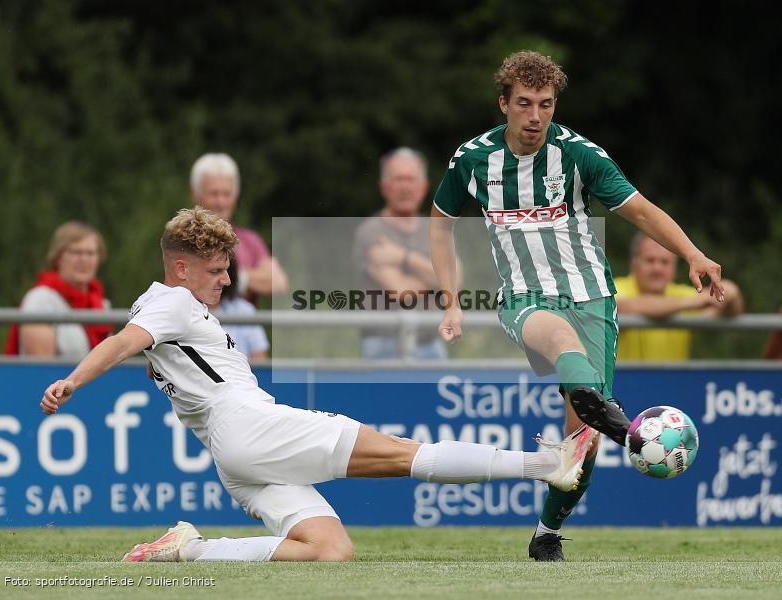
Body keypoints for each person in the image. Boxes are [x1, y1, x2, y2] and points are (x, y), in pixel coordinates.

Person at [40, 207, 598, 563]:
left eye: (227, 268)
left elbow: (144, 347)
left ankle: (190, 549)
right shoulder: (172, 302)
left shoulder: (161, 304)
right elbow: (123, 343)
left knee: (330, 550)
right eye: (215, 270)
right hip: (248, 426)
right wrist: (73, 380)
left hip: (232, 455)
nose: (227, 279)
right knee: (403, 454)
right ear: (181, 268)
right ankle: (545, 465)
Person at [430, 51, 725, 561]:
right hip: (525, 296)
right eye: (524, 103)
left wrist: (693, 254)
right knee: (562, 343)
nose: (535, 116)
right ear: (503, 104)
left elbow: (640, 211)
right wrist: (450, 301)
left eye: (545, 104)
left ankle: (547, 533)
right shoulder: (473, 159)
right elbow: (440, 225)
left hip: (592, 298)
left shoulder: (578, 154)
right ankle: (614, 418)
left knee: (580, 445)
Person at [353, 148, 457, 360]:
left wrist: (402, 257)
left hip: (432, 344)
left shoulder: (436, 229)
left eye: (411, 179)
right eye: (398, 179)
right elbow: (402, 292)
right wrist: (437, 278)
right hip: (382, 346)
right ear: (384, 187)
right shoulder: (371, 231)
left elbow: (457, 278)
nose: (405, 187)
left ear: (424, 186)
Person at [615, 233, 744, 360]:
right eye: (650, 260)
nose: (657, 268)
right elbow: (622, 306)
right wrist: (695, 301)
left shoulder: (681, 295)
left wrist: (729, 292)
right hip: (624, 375)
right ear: (633, 264)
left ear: (674, 268)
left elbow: (730, 303)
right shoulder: (614, 288)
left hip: (672, 375)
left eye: (665, 262)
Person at [190, 153, 289, 305]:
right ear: (195, 195)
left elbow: (278, 282)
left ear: (235, 196)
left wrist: (237, 279)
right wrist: (250, 280)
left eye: (226, 194)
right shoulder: (182, 237)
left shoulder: (250, 241)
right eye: (214, 194)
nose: (221, 202)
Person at [5, 222, 112, 358]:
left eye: (90, 253)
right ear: (57, 257)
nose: (84, 259)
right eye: (76, 252)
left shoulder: (101, 304)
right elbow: (42, 366)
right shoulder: (40, 300)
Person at [211, 260, 270, 361]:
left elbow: (260, 360)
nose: (225, 280)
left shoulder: (244, 310)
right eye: (214, 271)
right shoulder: (186, 309)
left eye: (225, 271)